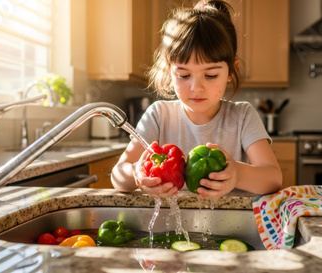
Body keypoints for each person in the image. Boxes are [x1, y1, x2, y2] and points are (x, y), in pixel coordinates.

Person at [111, 0, 282, 198]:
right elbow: (117, 175)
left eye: (210, 76)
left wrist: (238, 174)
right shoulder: (159, 116)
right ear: (169, 71)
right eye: (184, 75)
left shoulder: (243, 116)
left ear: (231, 71)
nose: (196, 88)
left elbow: (273, 178)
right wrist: (135, 174)